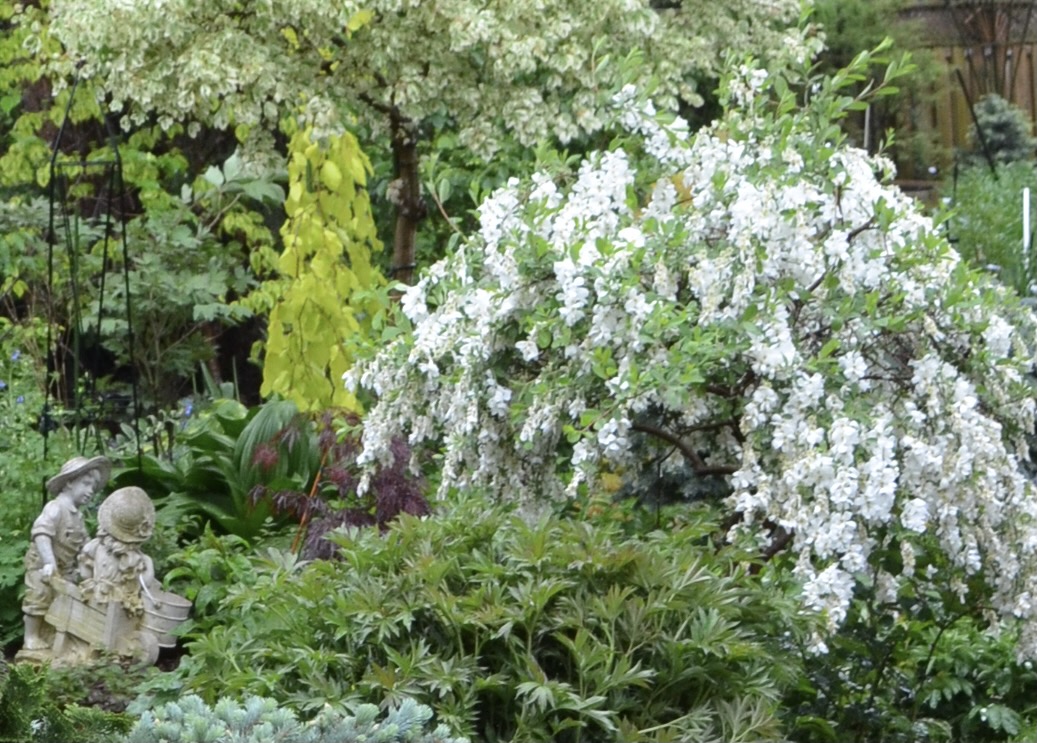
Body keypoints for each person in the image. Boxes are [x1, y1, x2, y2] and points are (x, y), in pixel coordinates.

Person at [20, 455, 111, 653]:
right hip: (42, 567)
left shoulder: (78, 517)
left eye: (93, 487)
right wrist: (48, 562)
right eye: (86, 484)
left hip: (65, 569)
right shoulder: (55, 508)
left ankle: (51, 634)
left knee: (62, 601)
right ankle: (30, 638)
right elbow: (41, 534)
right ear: (69, 482)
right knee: (39, 597)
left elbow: (84, 544)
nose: (90, 491)